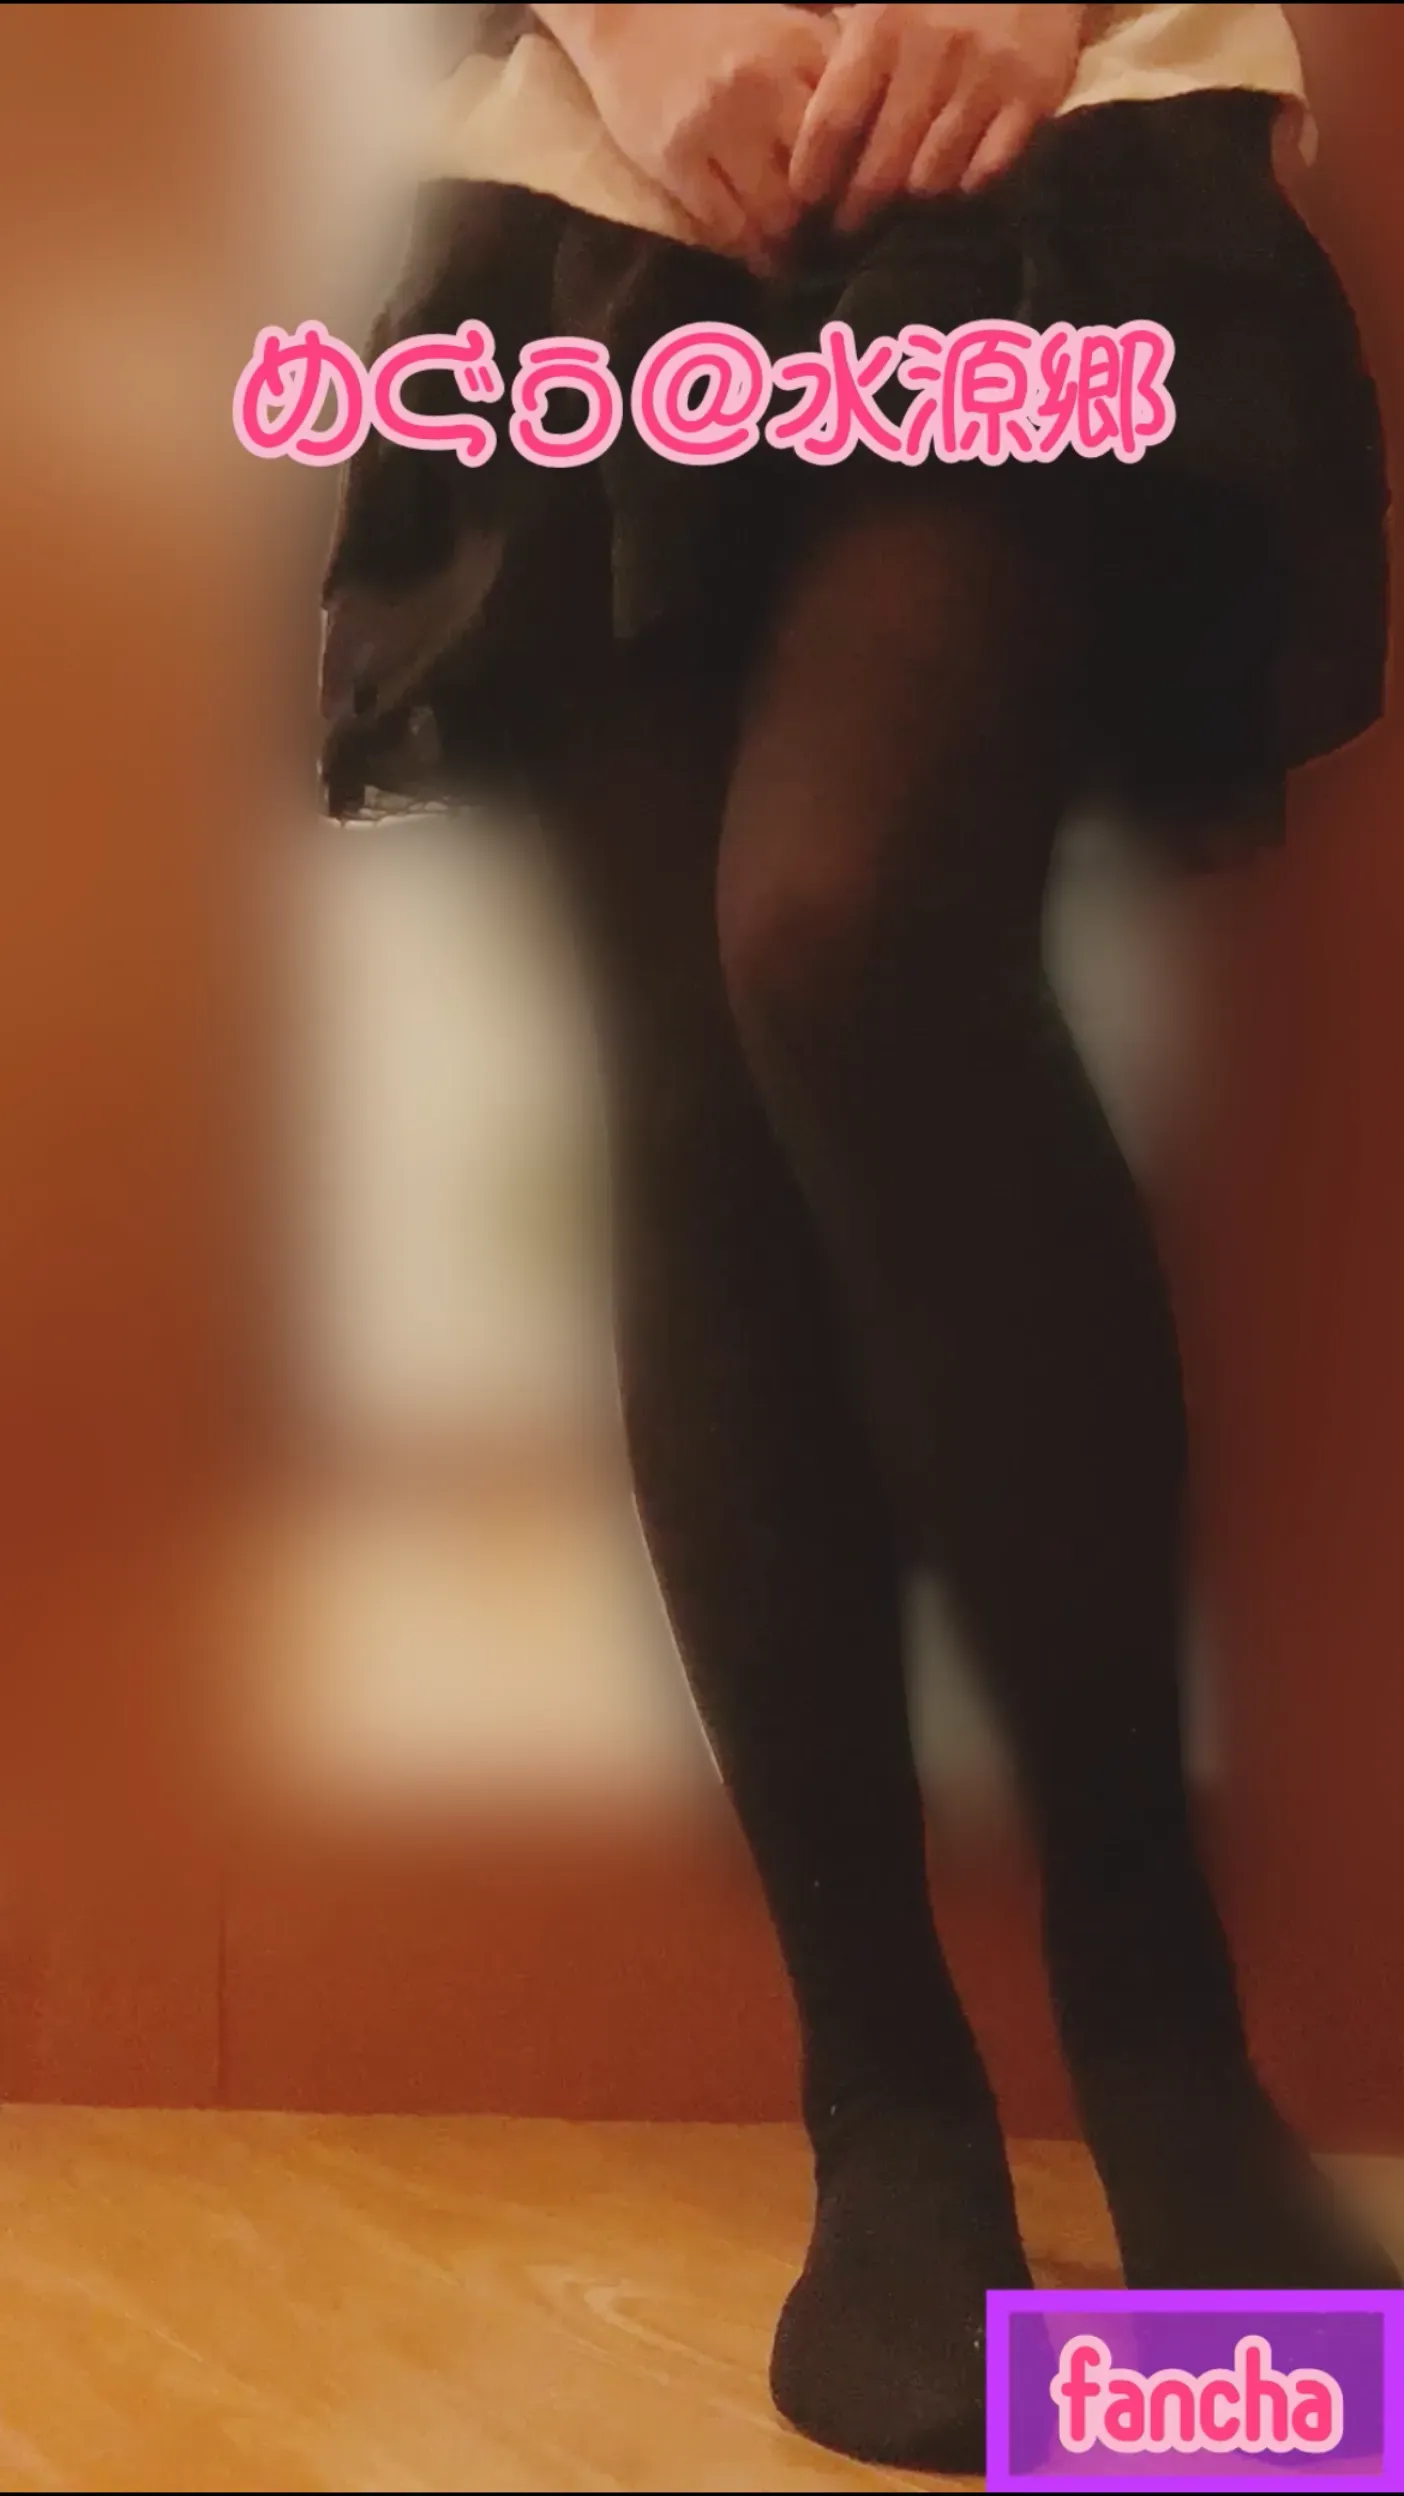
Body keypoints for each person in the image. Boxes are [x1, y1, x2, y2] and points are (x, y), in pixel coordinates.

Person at [320, 5, 1399, 2472]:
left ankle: (1161, 2042)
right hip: (604, 173)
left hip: (1060, 108)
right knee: (697, 1092)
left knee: (841, 916)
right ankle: (888, 2107)